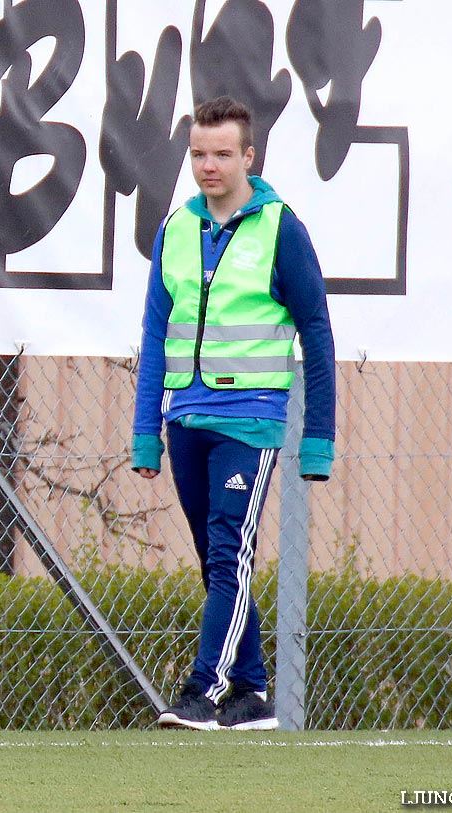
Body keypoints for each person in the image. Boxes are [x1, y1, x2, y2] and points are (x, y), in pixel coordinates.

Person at [132, 96, 335, 731]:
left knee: (228, 554)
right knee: (218, 560)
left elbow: (318, 333)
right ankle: (251, 693)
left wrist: (318, 442)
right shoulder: (175, 229)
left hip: (250, 419)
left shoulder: (281, 227)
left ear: (249, 156)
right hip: (185, 418)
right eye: (198, 153)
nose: (208, 166)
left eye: (222, 154)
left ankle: (203, 692)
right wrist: (146, 434)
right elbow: (154, 332)